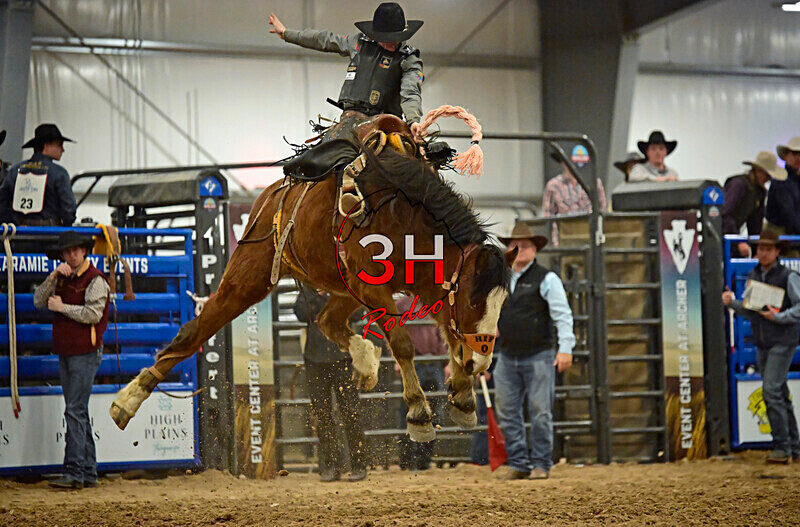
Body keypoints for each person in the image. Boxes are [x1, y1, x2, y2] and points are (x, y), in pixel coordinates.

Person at [493, 222, 575, 480]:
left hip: (539, 354)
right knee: (507, 411)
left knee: (540, 411)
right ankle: (519, 462)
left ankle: (540, 462)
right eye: (515, 245)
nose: (520, 249)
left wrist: (565, 348)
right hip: (507, 354)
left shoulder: (547, 278)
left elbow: (562, 315)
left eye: (526, 245)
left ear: (535, 249)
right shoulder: (500, 279)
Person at [268, 3, 424, 139]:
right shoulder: (359, 43)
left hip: (388, 123)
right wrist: (287, 34)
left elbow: (411, 92)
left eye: (394, 39)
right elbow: (325, 40)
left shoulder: (409, 58)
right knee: (327, 157)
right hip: (351, 118)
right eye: (384, 39)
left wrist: (413, 120)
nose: (389, 44)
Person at [33, 231, 110, 489]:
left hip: (84, 353)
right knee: (78, 410)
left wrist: (62, 307)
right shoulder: (65, 278)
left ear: (84, 251)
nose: (72, 255)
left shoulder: (96, 280)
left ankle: (75, 471)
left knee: (75, 410)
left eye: (75, 250)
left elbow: (93, 315)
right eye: (67, 252)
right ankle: (87, 471)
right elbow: (38, 299)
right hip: (71, 351)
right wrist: (53, 275)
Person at [722, 228, 800, 464]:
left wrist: (779, 318)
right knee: (779, 392)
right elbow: (751, 307)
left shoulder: (788, 276)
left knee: (771, 390)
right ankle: (793, 447)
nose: (763, 253)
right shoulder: (756, 275)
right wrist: (733, 303)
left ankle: (782, 447)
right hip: (767, 340)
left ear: (777, 251)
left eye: (767, 249)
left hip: (781, 339)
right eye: (760, 249)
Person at [293, 284, 367, 482]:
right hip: (315, 358)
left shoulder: (343, 286)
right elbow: (300, 312)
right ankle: (331, 465)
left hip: (343, 357)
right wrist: (323, 297)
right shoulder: (309, 288)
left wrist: (326, 297)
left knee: (350, 412)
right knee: (322, 414)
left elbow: (358, 313)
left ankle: (358, 464)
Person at [394, 294, 447, 471]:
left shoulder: (434, 302)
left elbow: (441, 332)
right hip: (412, 362)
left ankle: (424, 458)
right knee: (409, 411)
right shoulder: (401, 305)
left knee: (434, 411)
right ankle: (408, 457)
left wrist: (446, 360)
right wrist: (398, 358)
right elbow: (392, 331)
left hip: (434, 361)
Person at [0, 123, 77, 226]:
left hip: (19, 234)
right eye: (59, 144)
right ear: (47, 146)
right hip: (49, 235)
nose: (62, 150)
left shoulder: (14, 171)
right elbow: (69, 210)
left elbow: (2, 202)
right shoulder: (59, 173)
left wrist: (12, 223)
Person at [723, 151, 787, 258]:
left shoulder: (759, 193)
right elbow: (725, 214)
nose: (767, 179)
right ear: (757, 171)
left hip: (732, 238)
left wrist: (757, 251)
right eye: (766, 175)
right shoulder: (738, 185)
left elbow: (755, 225)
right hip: (721, 239)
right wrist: (737, 241)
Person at [541, 152, 607, 246]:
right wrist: (556, 245)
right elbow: (549, 218)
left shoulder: (595, 183)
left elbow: (602, 211)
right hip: (565, 241)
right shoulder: (553, 186)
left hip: (591, 240)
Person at [764, 137, 800, 237]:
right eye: (794, 154)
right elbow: (788, 213)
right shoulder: (781, 179)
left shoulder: (795, 181)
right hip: (779, 232)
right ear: (786, 156)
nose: (798, 158)